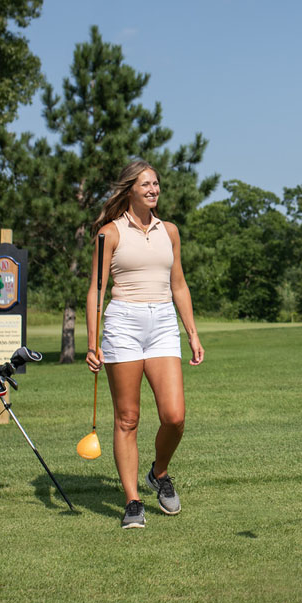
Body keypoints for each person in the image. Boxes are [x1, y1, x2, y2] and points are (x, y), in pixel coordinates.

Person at [86, 159, 204, 529]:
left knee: (175, 415)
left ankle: (159, 472)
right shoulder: (110, 233)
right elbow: (96, 290)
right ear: (129, 190)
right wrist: (92, 342)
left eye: (156, 184)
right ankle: (133, 501)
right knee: (128, 419)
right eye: (145, 184)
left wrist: (192, 332)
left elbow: (179, 285)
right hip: (123, 323)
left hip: (163, 323)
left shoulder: (170, 231)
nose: (153, 189)